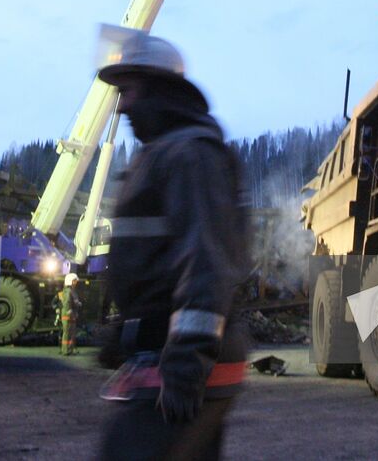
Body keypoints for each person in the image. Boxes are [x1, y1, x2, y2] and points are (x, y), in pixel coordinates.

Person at [95, 26, 250, 461]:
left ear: (159, 90)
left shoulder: (189, 155)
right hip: (166, 358)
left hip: (183, 368)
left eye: (128, 90)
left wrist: (186, 360)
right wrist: (124, 337)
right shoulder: (161, 153)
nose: (122, 104)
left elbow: (208, 261)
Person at [56, 273, 83, 356]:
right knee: (67, 332)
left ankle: (69, 349)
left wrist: (77, 305)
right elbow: (67, 302)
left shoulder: (71, 291)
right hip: (68, 314)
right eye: (75, 281)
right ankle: (65, 350)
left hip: (72, 314)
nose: (76, 282)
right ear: (70, 281)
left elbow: (73, 301)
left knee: (71, 333)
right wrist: (69, 310)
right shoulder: (68, 291)